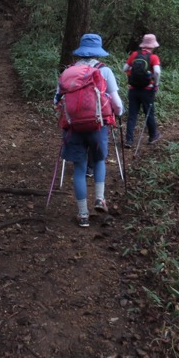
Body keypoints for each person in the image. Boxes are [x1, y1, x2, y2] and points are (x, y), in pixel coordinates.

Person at [55, 34, 124, 228]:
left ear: (81, 51)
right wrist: (119, 112)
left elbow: (56, 100)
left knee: (79, 167)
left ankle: (83, 214)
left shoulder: (68, 71)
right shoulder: (105, 71)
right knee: (99, 160)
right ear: (98, 52)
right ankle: (100, 199)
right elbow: (117, 103)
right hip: (98, 125)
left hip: (73, 126)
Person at [122, 34, 161, 148]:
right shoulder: (153, 57)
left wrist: (132, 75)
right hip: (147, 90)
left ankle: (129, 140)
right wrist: (156, 84)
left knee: (132, 114)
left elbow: (124, 68)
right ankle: (153, 136)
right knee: (148, 113)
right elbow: (157, 72)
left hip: (133, 89)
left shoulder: (134, 54)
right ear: (153, 46)